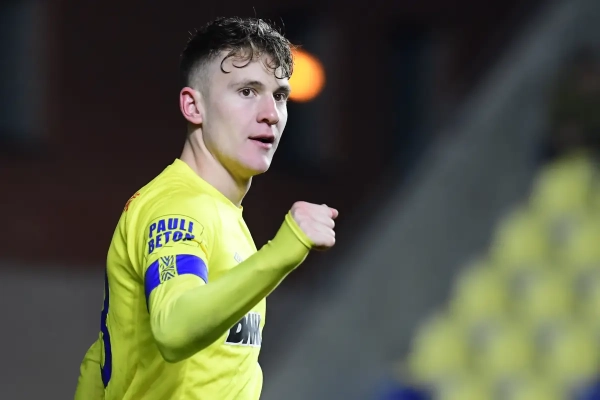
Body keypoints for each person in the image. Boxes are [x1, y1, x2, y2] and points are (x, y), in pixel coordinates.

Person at [74, 16, 338, 400]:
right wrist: (286, 248)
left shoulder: (223, 214)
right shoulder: (180, 207)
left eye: (279, 95)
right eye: (247, 91)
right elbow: (174, 328)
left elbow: (102, 358)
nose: (270, 113)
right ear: (193, 106)